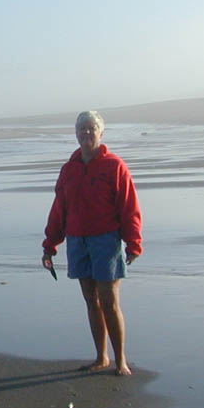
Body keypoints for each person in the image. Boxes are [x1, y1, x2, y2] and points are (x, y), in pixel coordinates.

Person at [42, 111, 142, 376]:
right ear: (76, 134)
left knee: (109, 301)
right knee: (91, 300)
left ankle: (120, 360)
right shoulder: (68, 169)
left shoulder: (114, 166)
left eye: (91, 128)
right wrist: (49, 245)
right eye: (82, 129)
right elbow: (59, 209)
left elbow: (129, 207)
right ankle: (101, 357)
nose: (87, 133)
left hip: (106, 241)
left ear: (101, 133)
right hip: (77, 241)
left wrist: (133, 243)